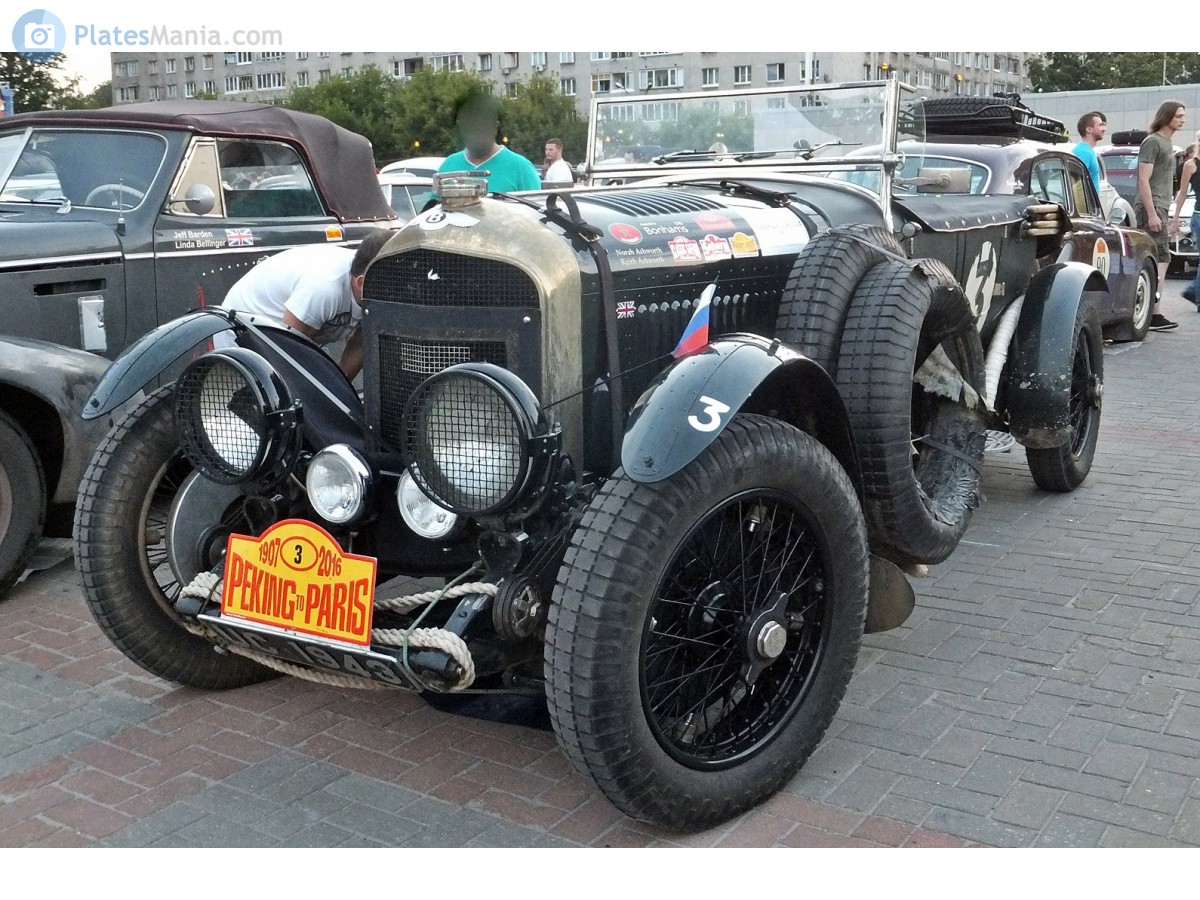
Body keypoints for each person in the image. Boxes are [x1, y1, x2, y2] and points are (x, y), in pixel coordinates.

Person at [218, 229, 393, 378]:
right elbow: (288, 350)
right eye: (389, 287)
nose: (395, 293)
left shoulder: (370, 281)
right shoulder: (324, 287)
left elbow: (360, 343)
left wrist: (341, 390)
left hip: (292, 332)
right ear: (362, 283)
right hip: (244, 329)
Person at [1135, 100, 1187, 331]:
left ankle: (1153, 311)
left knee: (1161, 260)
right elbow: (1143, 179)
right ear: (1166, 117)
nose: (1182, 120)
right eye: (1178, 116)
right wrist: (1151, 213)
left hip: (1162, 207)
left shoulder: (1167, 143)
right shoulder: (1153, 141)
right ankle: (1151, 313)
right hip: (1152, 207)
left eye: (1183, 116)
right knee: (1156, 260)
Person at [437, 93, 541, 193]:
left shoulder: (521, 168)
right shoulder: (448, 166)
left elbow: (535, 205)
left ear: (496, 127)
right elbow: (435, 204)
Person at [1170, 130, 1200, 308]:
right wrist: (1175, 220)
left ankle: (1193, 291)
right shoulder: (1191, 165)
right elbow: (1181, 194)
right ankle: (1196, 295)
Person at [1071, 111, 1107, 193]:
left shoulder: (1088, 151)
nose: (1104, 129)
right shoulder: (1084, 152)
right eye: (1100, 125)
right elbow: (1075, 182)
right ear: (1089, 129)